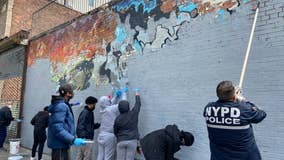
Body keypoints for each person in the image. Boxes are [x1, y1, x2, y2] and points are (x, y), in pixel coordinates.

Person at [203, 80, 267, 160]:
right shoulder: (244, 108)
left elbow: (224, 110)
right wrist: (243, 101)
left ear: (217, 94)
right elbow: (261, 115)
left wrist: (234, 99)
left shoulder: (208, 108)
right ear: (234, 95)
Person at [48, 83, 86, 160]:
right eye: (72, 91)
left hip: (62, 144)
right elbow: (57, 129)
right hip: (60, 146)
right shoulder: (61, 106)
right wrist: (73, 139)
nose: (73, 93)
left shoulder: (62, 105)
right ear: (68, 93)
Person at [97, 88, 125, 160]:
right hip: (109, 137)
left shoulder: (102, 110)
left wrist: (115, 96)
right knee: (108, 156)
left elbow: (109, 104)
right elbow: (123, 104)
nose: (109, 101)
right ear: (106, 103)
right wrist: (124, 93)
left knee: (100, 155)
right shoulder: (111, 109)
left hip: (101, 135)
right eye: (108, 100)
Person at [114, 88, 141, 160]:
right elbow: (138, 104)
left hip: (121, 141)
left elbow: (115, 131)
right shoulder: (134, 114)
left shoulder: (117, 119)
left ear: (119, 108)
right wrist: (136, 93)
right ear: (128, 107)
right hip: (132, 141)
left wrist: (120, 137)